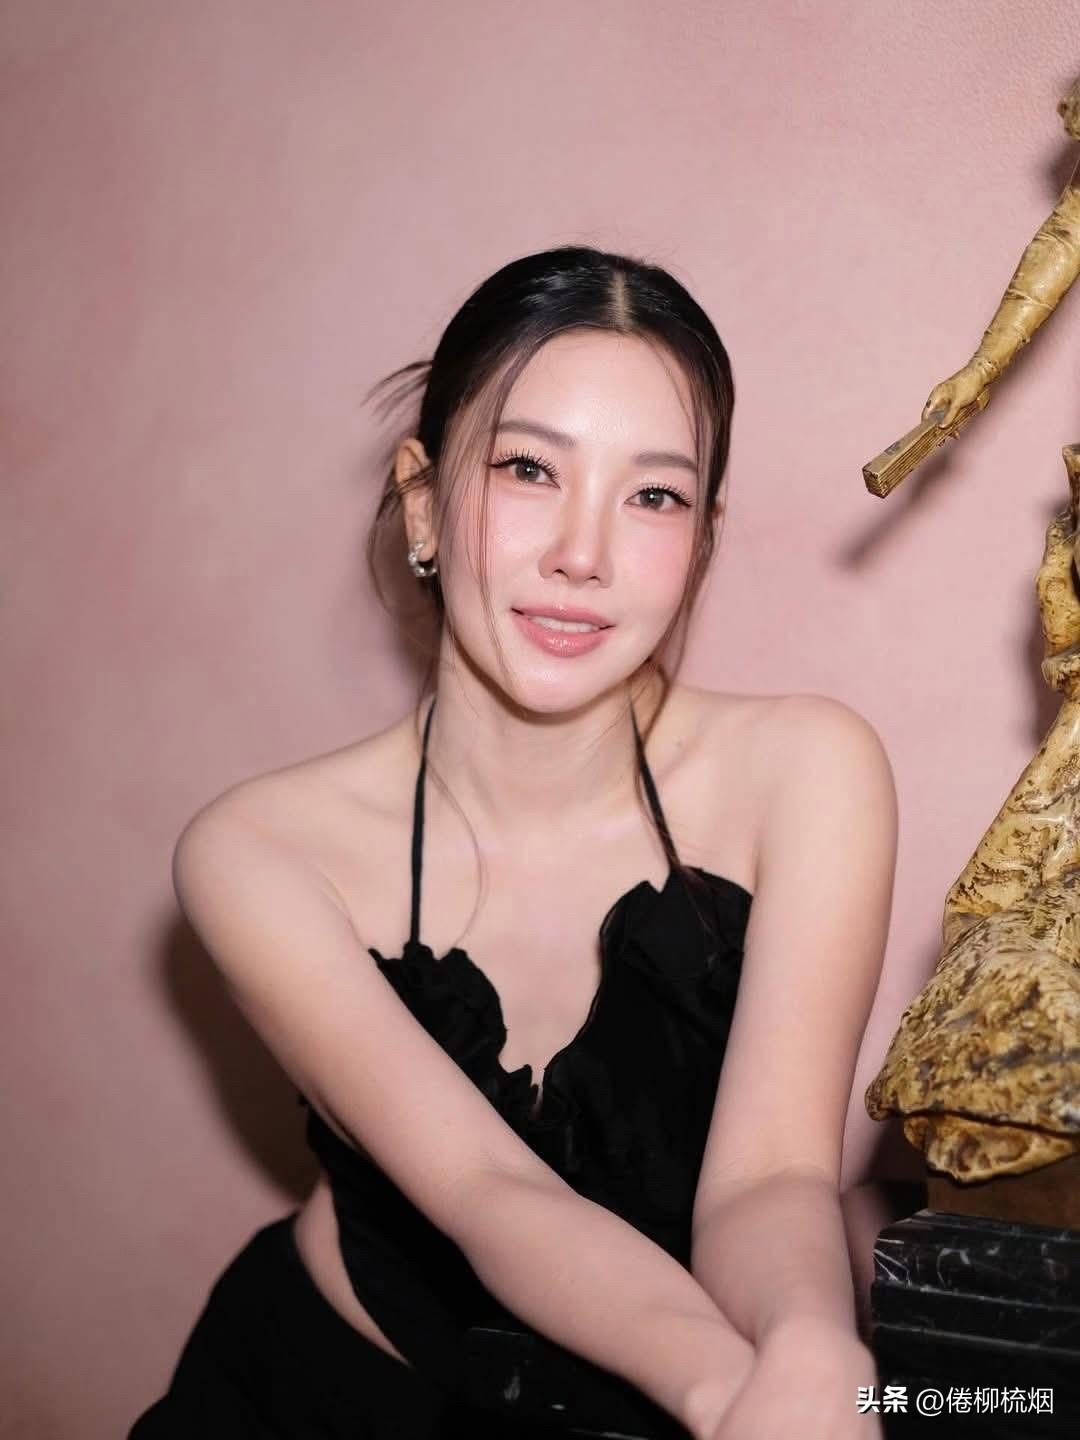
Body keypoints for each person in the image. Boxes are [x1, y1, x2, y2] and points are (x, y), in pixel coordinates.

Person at [129, 245, 897, 1439]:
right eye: (529, 469)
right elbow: (492, 1194)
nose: (583, 553)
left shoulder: (808, 773)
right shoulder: (259, 851)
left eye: (654, 496)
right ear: (422, 501)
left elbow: (772, 1178)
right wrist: (726, 1388)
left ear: (703, 539)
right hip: (326, 1402)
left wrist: (809, 1351)